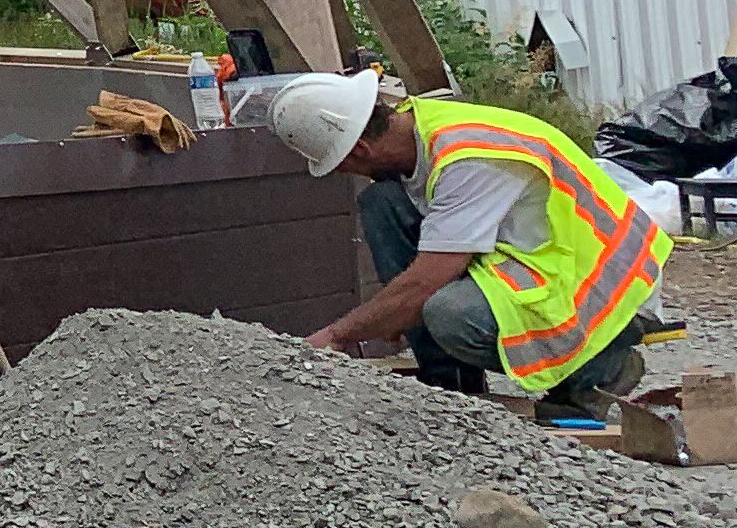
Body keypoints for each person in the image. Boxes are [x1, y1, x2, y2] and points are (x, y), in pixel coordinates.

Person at [254, 67, 668, 419]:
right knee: (383, 204)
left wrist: (339, 334)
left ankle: (599, 368)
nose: (347, 173)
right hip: (540, 258)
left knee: (449, 313)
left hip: (603, 286)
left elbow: (424, 285)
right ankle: (449, 384)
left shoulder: (470, 159)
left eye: (342, 163)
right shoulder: (422, 124)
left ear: (361, 148)